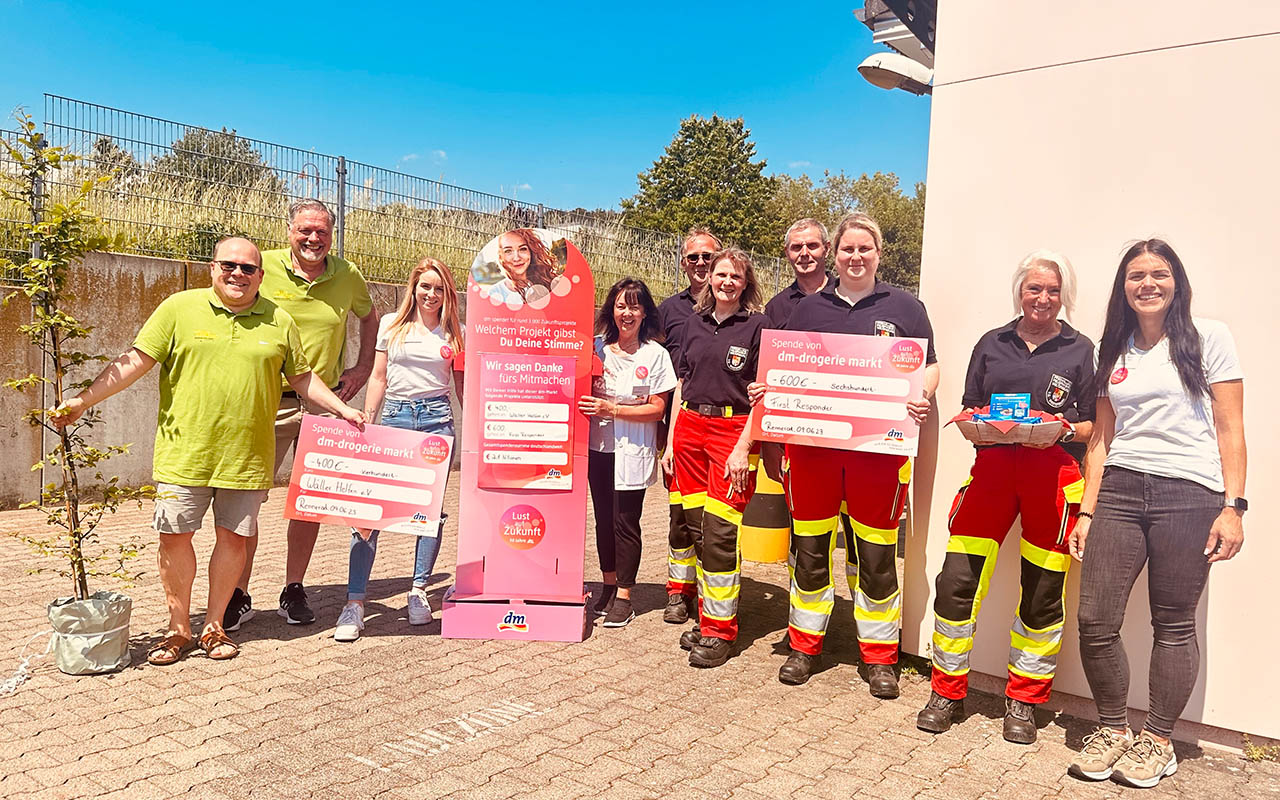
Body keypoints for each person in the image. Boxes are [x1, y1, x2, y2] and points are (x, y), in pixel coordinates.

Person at [51, 238, 364, 666]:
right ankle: (178, 629)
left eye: (248, 268)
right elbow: (136, 361)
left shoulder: (279, 320)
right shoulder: (179, 308)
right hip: (186, 452)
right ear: (212, 268)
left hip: (247, 454)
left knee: (234, 538)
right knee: (175, 536)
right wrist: (83, 401)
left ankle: (214, 625)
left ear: (261, 275)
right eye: (229, 265)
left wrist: (343, 409)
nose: (238, 274)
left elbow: (304, 378)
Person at [1067, 239, 1246, 789]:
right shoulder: (1114, 347)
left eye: (1159, 274)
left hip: (1190, 495)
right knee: (1096, 621)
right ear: (1123, 287)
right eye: (1136, 275)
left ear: (1177, 281)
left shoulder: (1209, 337)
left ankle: (1160, 740)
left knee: (1173, 624)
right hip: (1119, 491)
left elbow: (1231, 428)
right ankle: (1114, 729)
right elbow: (1101, 436)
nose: (1148, 283)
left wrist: (1233, 507)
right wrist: (1088, 510)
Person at [752, 212, 938, 695]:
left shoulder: (907, 308)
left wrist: (923, 395)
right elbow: (784, 370)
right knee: (810, 551)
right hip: (813, 455)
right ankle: (804, 646)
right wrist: (766, 391)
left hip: (879, 457)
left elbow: (930, 367)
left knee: (876, 555)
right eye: (848, 249)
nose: (856, 257)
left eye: (865, 248)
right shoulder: (808, 310)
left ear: (879, 253)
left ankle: (879, 657)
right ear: (835, 256)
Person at [916, 250, 1095, 744]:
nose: (1042, 298)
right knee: (956, 581)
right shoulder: (992, 343)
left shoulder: (1080, 349)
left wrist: (1059, 431)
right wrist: (980, 426)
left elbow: (1092, 426)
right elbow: (969, 407)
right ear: (1019, 291)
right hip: (992, 472)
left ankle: (1024, 702)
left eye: (1052, 290)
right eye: (1033, 288)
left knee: (1042, 592)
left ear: (1065, 297)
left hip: (1053, 478)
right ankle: (946, 691)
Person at [231, 199, 377, 630]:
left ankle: (294, 588)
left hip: (323, 402)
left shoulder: (347, 275)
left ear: (332, 234)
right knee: (247, 501)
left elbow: (371, 320)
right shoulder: (261, 267)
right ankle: (238, 592)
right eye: (304, 231)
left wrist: (363, 367)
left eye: (322, 232)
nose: (313, 239)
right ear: (289, 230)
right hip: (265, 402)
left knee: (309, 502)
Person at [333, 258, 464, 642]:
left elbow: (461, 386)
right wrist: (368, 421)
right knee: (370, 513)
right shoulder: (392, 323)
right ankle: (355, 603)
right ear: (413, 287)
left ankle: (419, 592)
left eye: (439, 288)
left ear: (448, 294)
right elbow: (378, 375)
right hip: (394, 417)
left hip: (437, 421)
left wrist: (474, 428)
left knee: (429, 513)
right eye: (425, 286)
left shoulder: (456, 330)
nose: (431, 294)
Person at [660, 247, 767, 668]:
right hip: (687, 430)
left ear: (745, 284)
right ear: (709, 279)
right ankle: (709, 618)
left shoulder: (758, 327)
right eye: (720, 274)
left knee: (721, 534)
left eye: (734, 277)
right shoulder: (693, 324)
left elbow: (762, 397)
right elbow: (682, 386)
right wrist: (670, 443)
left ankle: (721, 633)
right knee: (695, 530)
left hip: (731, 434)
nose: (725, 282)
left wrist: (744, 447)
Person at [579, 278, 677, 628]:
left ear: (645, 312)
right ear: (611, 310)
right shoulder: (596, 349)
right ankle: (607, 585)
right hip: (598, 448)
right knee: (603, 519)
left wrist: (612, 410)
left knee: (626, 522)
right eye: (621, 305)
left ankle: (624, 595)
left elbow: (656, 409)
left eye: (635, 306)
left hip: (633, 448)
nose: (627, 313)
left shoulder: (655, 354)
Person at [657, 228, 722, 625]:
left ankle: (711, 591)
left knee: (715, 518)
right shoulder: (669, 311)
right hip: (678, 425)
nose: (700, 264)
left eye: (707, 257)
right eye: (693, 257)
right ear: (683, 263)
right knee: (680, 516)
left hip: (723, 429)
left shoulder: (741, 311)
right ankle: (679, 591)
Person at [487, 228, 560, 305]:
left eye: (522, 249)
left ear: (531, 252)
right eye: (508, 251)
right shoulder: (494, 292)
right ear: (501, 256)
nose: (516, 258)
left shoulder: (550, 283)